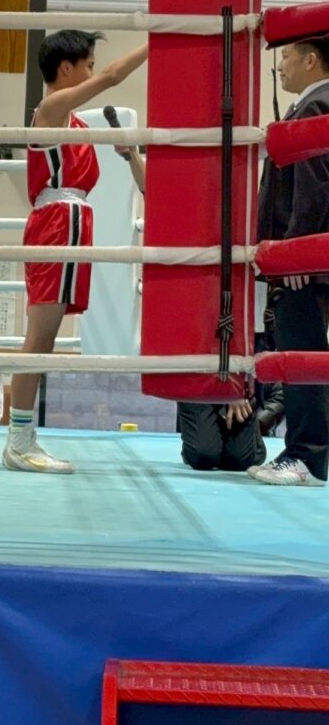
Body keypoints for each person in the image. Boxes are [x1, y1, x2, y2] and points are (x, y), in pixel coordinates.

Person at [2, 29, 148, 474]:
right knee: (38, 340)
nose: (92, 73)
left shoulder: (79, 125)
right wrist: (160, 41)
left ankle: (23, 438)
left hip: (74, 224)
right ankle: (18, 442)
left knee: (45, 341)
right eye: (87, 65)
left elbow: (142, 185)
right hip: (56, 224)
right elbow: (113, 75)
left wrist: (130, 154)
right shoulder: (49, 111)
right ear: (66, 68)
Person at [120, 129, 266, 470]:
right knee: (203, 455)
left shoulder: (246, 226)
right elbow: (155, 193)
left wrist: (237, 384)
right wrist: (132, 156)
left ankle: (244, 430)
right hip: (195, 346)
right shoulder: (189, 215)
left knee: (243, 459)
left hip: (236, 351)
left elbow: (253, 315)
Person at [250, 36, 329, 486]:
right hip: (305, 255)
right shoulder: (311, 104)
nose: (280, 65)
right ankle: (302, 451)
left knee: (304, 354)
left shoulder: (317, 105)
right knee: (304, 353)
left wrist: (298, 250)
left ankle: (307, 457)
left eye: (286, 56)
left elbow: (315, 184)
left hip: (304, 261)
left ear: (311, 60)